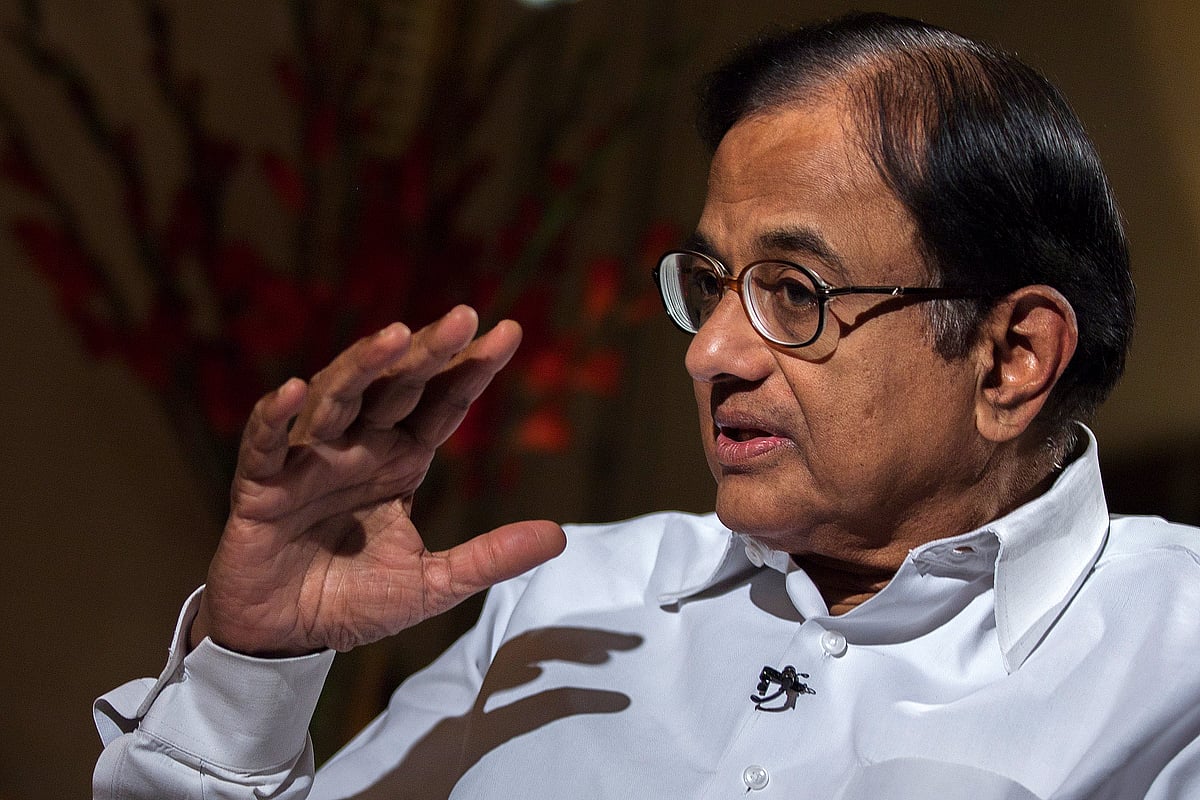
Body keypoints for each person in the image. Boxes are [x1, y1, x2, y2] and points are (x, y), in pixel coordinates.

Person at [93, 11, 1200, 799]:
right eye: (713, 284)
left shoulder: (1174, 654)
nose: (710, 351)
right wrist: (255, 662)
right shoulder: (563, 597)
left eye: (794, 294)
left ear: (1011, 358)